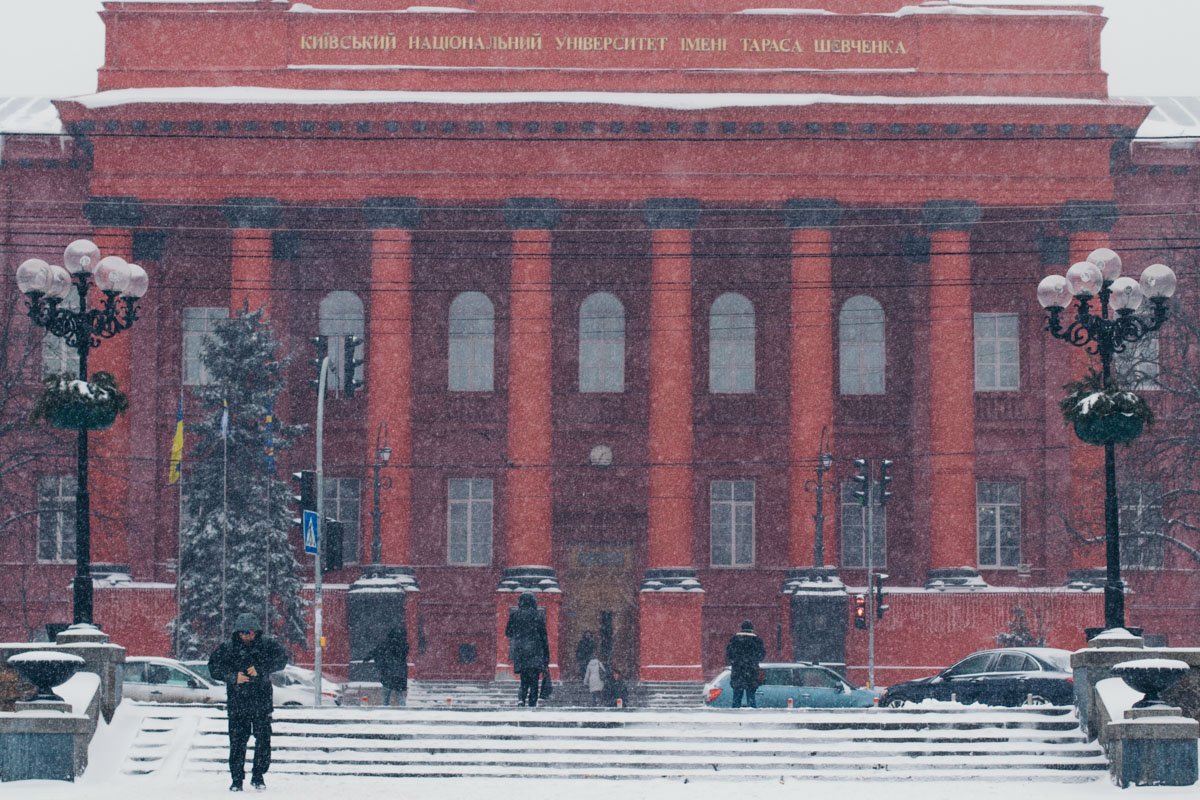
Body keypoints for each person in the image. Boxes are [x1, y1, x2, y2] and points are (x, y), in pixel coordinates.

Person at [208, 612, 289, 791]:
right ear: (237, 633)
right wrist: (232, 677)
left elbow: (282, 659)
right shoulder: (228, 648)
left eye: (250, 632)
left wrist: (260, 669)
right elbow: (213, 667)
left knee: (263, 741)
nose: (246, 636)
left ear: (256, 632)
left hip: (261, 702)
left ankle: (258, 776)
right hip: (238, 703)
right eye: (243, 633)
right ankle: (237, 779)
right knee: (237, 742)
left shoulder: (267, 645)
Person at [505, 591, 550, 707]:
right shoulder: (538, 616)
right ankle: (532, 702)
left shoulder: (515, 615)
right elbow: (544, 637)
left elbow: (508, 632)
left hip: (521, 652)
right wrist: (546, 656)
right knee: (534, 680)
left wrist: (519, 634)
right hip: (536, 652)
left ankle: (521, 699)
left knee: (523, 679)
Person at [725, 619, 765, 709]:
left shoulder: (734, 639)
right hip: (752, 673)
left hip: (737, 673)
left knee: (736, 698)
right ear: (752, 628)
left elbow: (729, 654)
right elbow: (762, 655)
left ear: (741, 628)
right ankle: (752, 717)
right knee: (751, 698)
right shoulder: (757, 640)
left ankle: (735, 717)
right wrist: (753, 661)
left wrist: (735, 661)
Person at [366, 625, 409, 707]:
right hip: (400, 673)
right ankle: (403, 710)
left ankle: (385, 709)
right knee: (399, 694)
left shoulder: (386, 643)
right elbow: (404, 654)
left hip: (388, 672)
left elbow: (376, 651)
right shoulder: (404, 644)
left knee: (386, 693)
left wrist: (368, 657)